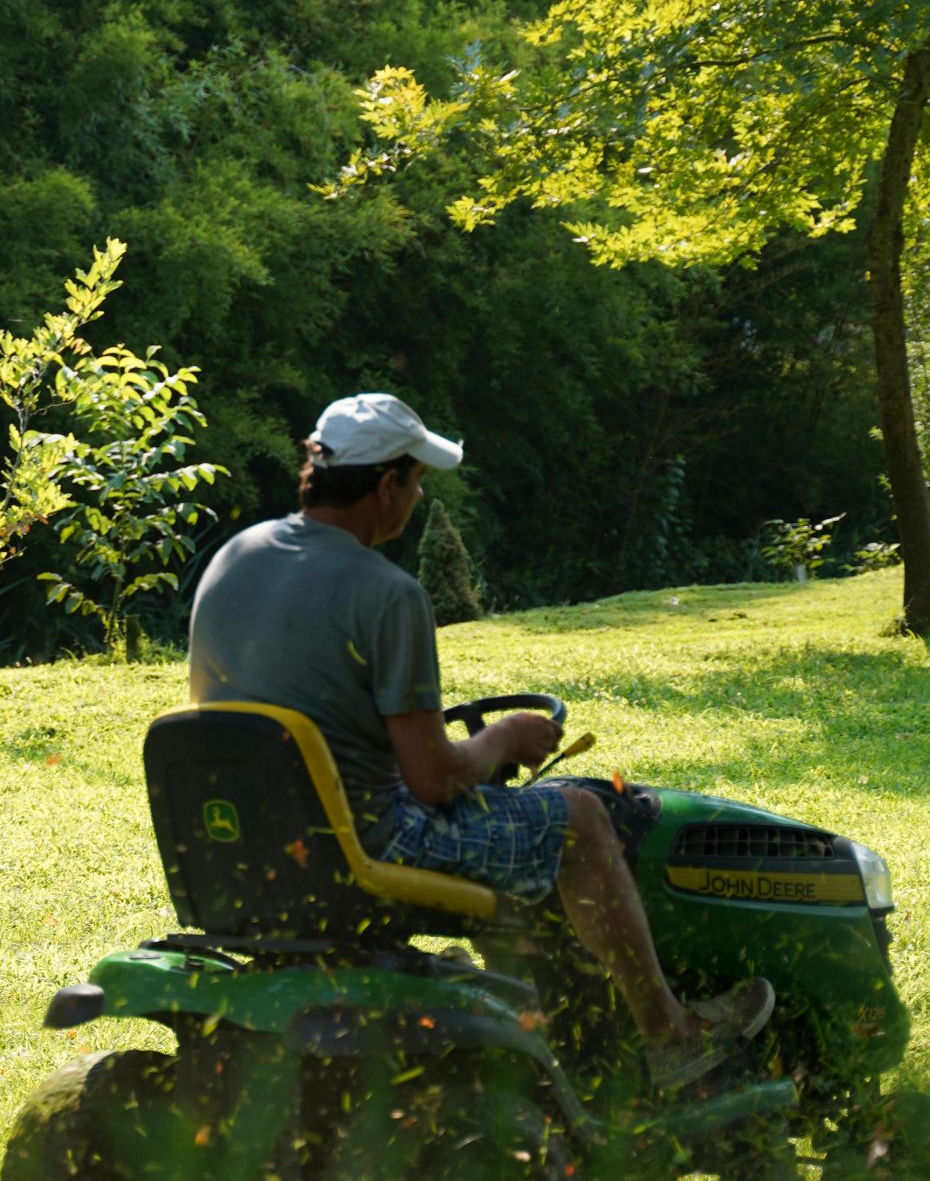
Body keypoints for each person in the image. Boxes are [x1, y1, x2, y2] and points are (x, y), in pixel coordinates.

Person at [186, 391, 773, 1092]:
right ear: (385, 487)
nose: (417, 496)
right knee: (580, 817)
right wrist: (505, 737)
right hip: (366, 846)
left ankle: (536, 1026)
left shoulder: (233, 558)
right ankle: (670, 1033)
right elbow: (435, 779)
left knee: (509, 821)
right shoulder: (387, 592)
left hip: (250, 845)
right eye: (417, 481)